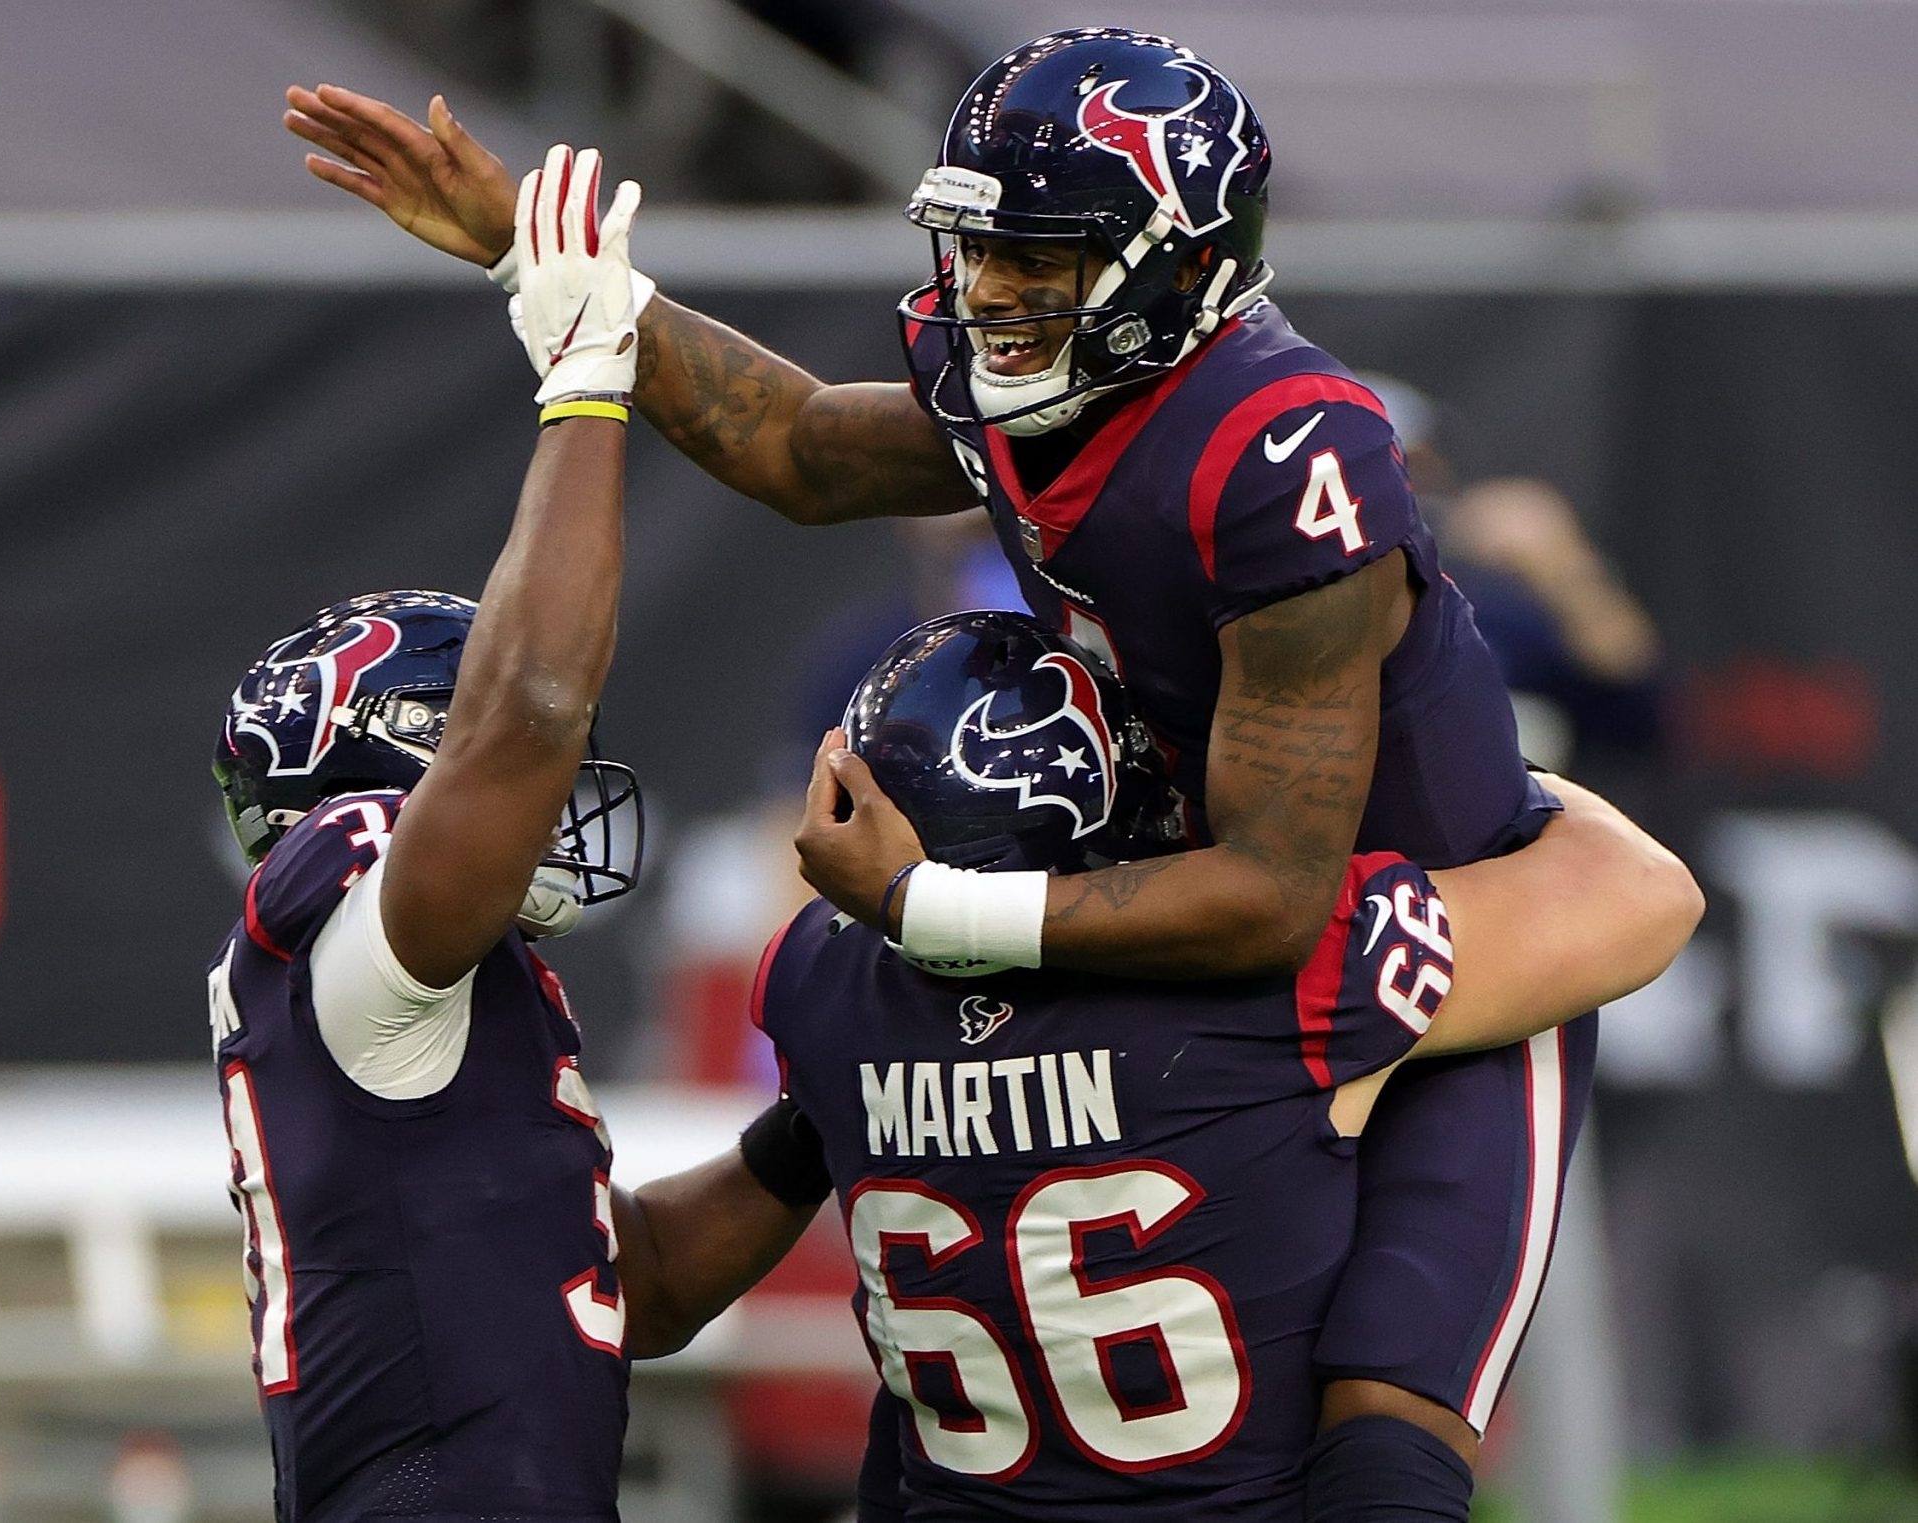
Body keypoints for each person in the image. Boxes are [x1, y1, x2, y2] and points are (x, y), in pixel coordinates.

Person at [283, 26, 1619, 1512]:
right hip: (1209, 928)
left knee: (1379, 1436)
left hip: (1424, 940)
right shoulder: (1045, 386)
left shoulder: (1277, 453)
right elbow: (797, 442)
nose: (989, 293)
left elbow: (1277, 892)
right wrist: (564, 289)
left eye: (1039, 260)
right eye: (980, 248)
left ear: (1175, 260)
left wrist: (932, 912)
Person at [628, 609, 1701, 1520]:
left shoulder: (825, 988)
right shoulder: (1252, 987)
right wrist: (1454, 772)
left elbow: (706, 1236)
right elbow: (1645, 892)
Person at [208, 145, 661, 1522]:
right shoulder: (356, 924)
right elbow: (525, 706)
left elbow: (617, 1276)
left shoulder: (406, 987)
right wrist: (588, 377)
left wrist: (817, 1120)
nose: (553, 777)